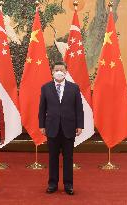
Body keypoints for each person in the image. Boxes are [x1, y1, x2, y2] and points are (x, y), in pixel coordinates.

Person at [38, 61, 84, 195]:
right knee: (52, 157)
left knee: (68, 158)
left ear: (66, 72)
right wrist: (41, 125)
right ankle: (52, 184)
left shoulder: (74, 88)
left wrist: (79, 125)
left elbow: (78, 108)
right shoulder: (45, 87)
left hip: (69, 128)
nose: (59, 72)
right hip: (51, 127)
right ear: (52, 72)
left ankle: (68, 185)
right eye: (56, 70)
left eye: (61, 70)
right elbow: (42, 108)